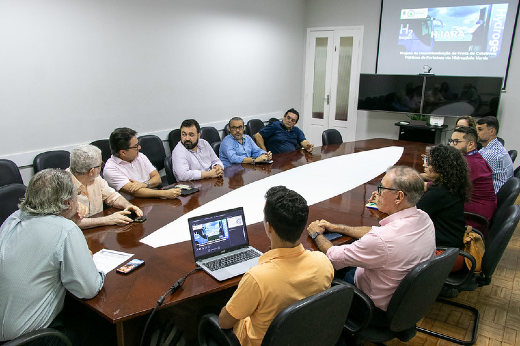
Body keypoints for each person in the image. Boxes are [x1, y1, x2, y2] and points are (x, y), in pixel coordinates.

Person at [307, 166, 435, 312]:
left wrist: (317, 234)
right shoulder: (424, 218)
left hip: (368, 306)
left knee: (319, 272)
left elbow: (334, 257)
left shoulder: (382, 240)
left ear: (399, 197)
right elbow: (377, 233)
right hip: (404, 303)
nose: (376, 193)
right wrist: (337, 227)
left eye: (381, 188)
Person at [218, 186, 333, 346]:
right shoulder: (323, 262)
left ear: (269, 226)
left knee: (207, 313)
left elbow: (224, 323)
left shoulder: (257, 278)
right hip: (306, 337)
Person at [0, 169, 105, 343]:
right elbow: (88, 289)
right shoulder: (64, 230)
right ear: (67, 203)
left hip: (7, 333)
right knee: (103, 326)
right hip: (32, 340)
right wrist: (91, 264)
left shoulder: (13, 218)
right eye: (76, 194)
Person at [68, 144, 144, 229]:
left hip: (99, 232)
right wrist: (107, 220)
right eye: (100, 165)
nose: (101, 167)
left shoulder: (95, 178)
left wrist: (127, 206)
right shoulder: (62, 186)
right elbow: (72, 222)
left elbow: (111, 196)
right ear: (91, 171)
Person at [103, 127, 181, 199]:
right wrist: (164, 193)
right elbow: (135, 192)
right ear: (123, 152)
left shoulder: (140, 156)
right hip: (132, 207)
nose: (139, 148)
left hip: (151, 200)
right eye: (136, 146)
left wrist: (143, 184)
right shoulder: (110, 169)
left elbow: (157, 178)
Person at [418, 145, 469, 251]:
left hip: (441, 252)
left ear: (442, 167)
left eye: (429, 162)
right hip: (451, 247)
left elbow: (411, 216)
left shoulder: (438, 192)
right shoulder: (452, 186)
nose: (424, 164)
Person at [449, 127, 496, 228]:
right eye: (451, 141)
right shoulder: (473, 158)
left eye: (456, 142)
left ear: (470, 144)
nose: (451, 145)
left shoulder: (471, 164)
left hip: (473, 221)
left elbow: (445, 186)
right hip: (472, 211)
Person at [476, 116, 514, 193]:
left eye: (480, 129)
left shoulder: (492, 154)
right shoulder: (491, 147)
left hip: (491, 196)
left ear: (492, 131)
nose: (476, 133)